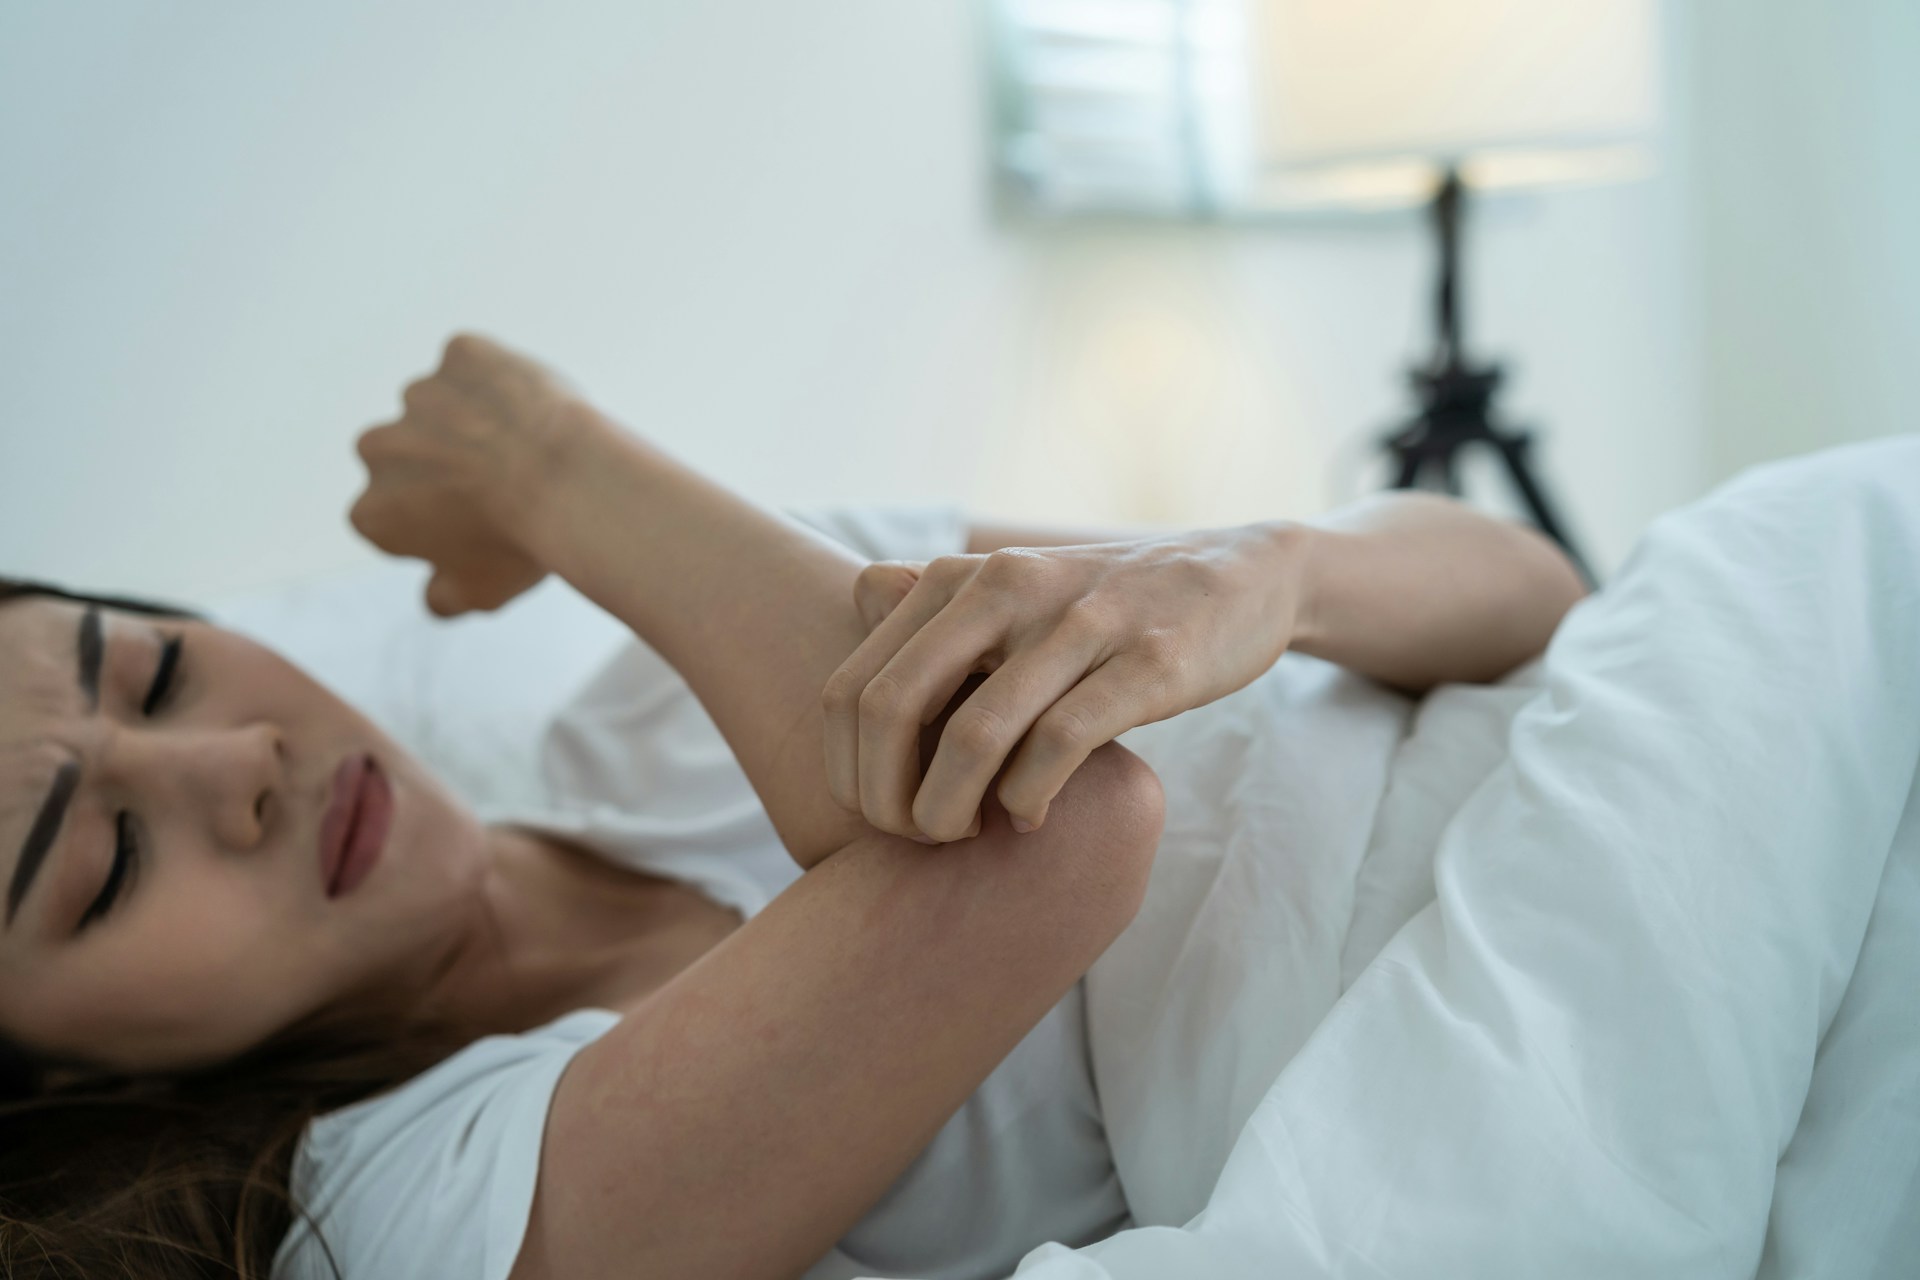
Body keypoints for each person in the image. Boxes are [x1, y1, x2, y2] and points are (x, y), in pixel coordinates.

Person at [0, 334, 1585, 1279]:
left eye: (145, 670)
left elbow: (1525, 586)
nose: (239, 768)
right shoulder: (406, 1210)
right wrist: (554, 461)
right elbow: (1059, 832)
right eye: (106, 862)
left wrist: (1267, 570)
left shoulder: (655, 691)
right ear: (56, 1083)